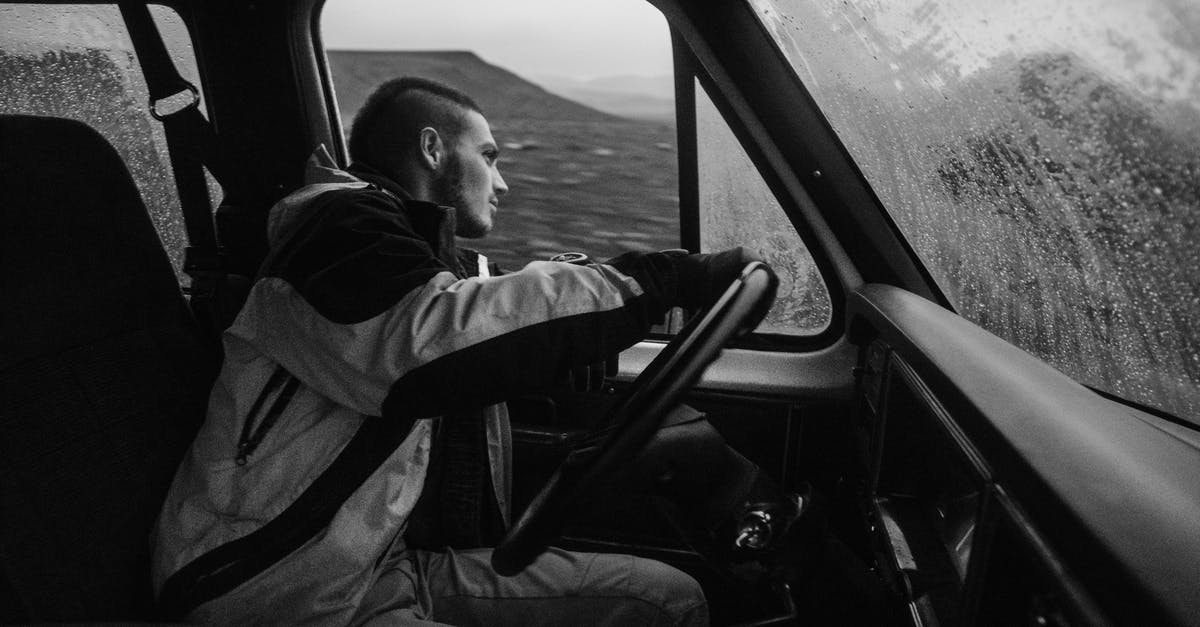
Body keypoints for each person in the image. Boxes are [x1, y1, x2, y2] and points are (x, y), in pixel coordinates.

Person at [150, 76, 770, 626]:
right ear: (431, 148)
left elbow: (488, 307)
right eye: (489, 157)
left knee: (667, 599)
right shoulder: (335, 229)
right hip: (269, 585)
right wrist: (667, 280)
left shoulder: (408, 251)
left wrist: (577, 339)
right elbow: (425, 340)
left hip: (379, 570)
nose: (502, 182)